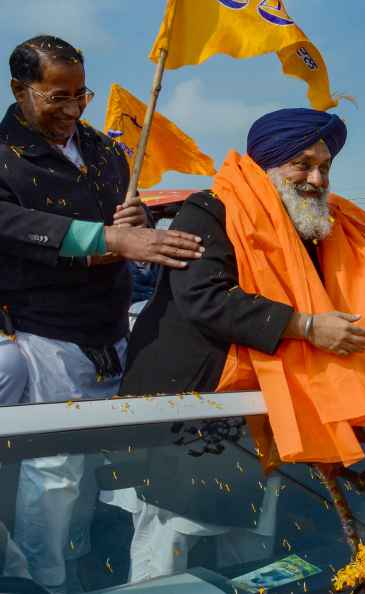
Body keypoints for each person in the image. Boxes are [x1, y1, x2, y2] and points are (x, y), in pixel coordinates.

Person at [121, 108, 365, 463]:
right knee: (190, 520)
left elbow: (353, 304)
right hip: (192, 405)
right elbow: (206, 300)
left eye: (325, 168)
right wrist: (306, 327)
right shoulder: (210, 210)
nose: (317, 179)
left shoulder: (315, 227)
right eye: (302, 165)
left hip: (268, 417)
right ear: (266, 165)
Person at [2, 35, 203, 593]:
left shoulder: (105, 149)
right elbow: (11, 226)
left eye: (80, 95)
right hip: (46, 333)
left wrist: (134, 220)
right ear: (21, 90)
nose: (72, 110)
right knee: (56, 474)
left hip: (114, 329)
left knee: (117, 468)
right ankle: (44, 582)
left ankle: (101, 566)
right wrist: (107, 236)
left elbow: (128, 231)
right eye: (56, 98)